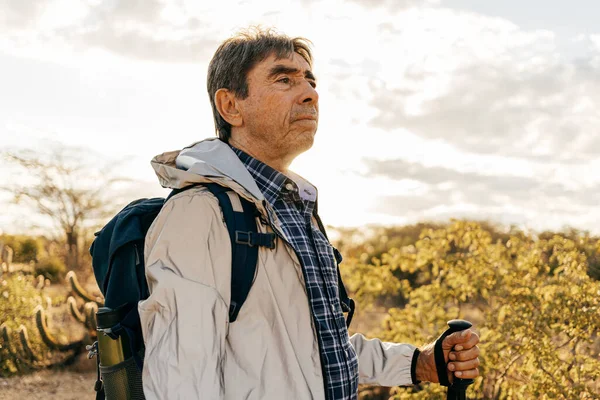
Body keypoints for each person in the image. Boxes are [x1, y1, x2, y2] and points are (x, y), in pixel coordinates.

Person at [138, 27, 480, 400]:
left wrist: (419, 364)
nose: (310, 94)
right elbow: (180, 381)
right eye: (284, 79)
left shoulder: (296, 209)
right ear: (231, 106)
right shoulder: (200, 214)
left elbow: (314, 349)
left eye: (310, 82)